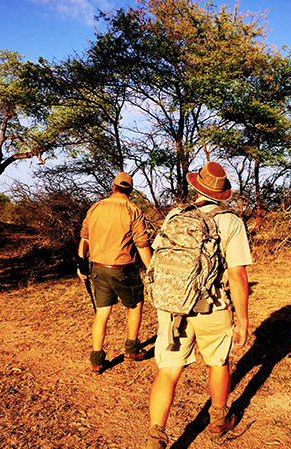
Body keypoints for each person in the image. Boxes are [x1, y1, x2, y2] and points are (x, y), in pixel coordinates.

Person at [145, 162, 252, 449]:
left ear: (197, 187)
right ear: (222, 193)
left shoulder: (175, 215)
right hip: (212, 306)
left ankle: (156, 437)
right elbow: (237, 276)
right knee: (218, 361)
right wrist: (242, 319)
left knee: (168, 370)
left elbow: (158, 258)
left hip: (172, 306)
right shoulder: (231, 222)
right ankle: (218, 420)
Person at [78, 172, 152, 374]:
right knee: (135, 304)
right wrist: (153, 269)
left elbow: (85, 239)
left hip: (97, 268)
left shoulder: (96, 207)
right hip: (121, 269)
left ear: (113, 187)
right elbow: (142, 244)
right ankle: (132, 348)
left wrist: (80, 264)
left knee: (102, 312)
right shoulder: (132, 209)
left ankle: (96, 359)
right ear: (130, 190)